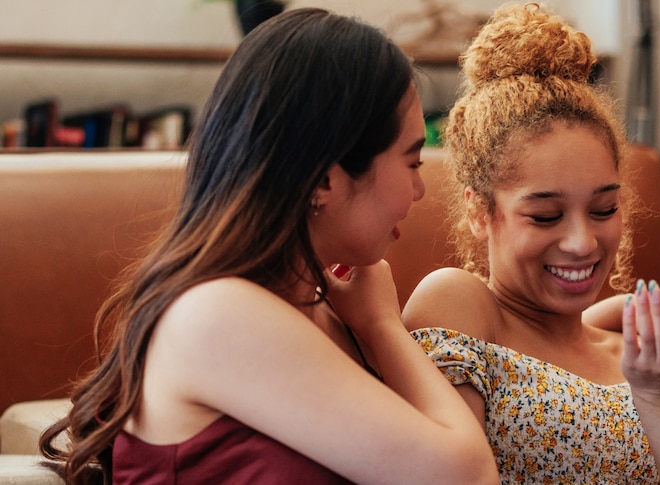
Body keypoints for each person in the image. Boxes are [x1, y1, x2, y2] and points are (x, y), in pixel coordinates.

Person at [38, 8, 499, 485]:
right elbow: (465, 476)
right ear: (325, 179)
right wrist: (383, 327)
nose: (418, 192)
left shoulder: (319, 308)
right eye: (412, 162)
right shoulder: (219, 314)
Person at [402, 3, 660, 483]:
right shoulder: (461, 306)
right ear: (479, 211)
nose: (582, 243)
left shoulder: (657, 355)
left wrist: (659, 390)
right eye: (545, 216)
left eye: (603, 210)